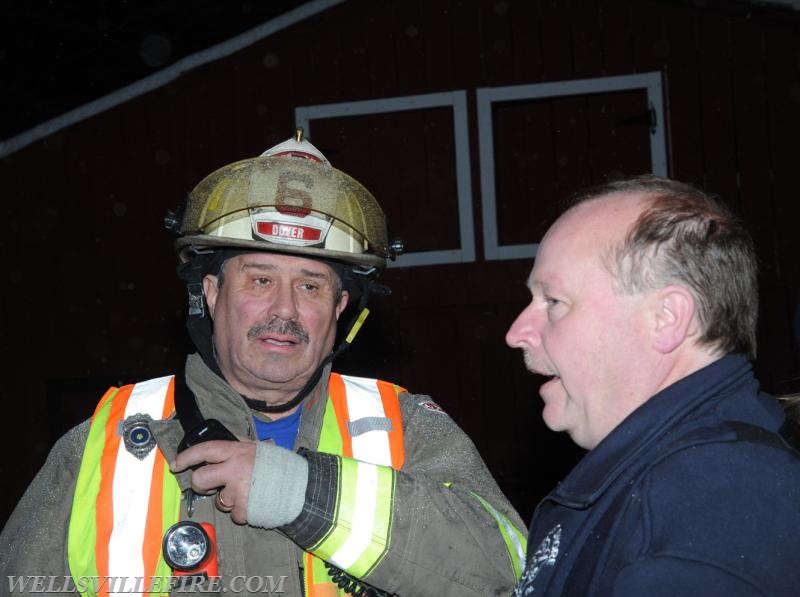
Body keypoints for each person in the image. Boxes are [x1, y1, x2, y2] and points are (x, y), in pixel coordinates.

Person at [0, 129, 526, 596]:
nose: (284, 310)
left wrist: (300, 492)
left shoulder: (406, 427)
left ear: (339, 309)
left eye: (311, 286)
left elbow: (510, 572)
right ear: (211, 292)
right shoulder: (103, 443)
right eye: (260, 279)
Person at [505, 175, 800, 596]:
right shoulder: (676, 479)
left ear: (667, 318)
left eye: (553, 301)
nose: (516, 332)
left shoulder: (716, 503)